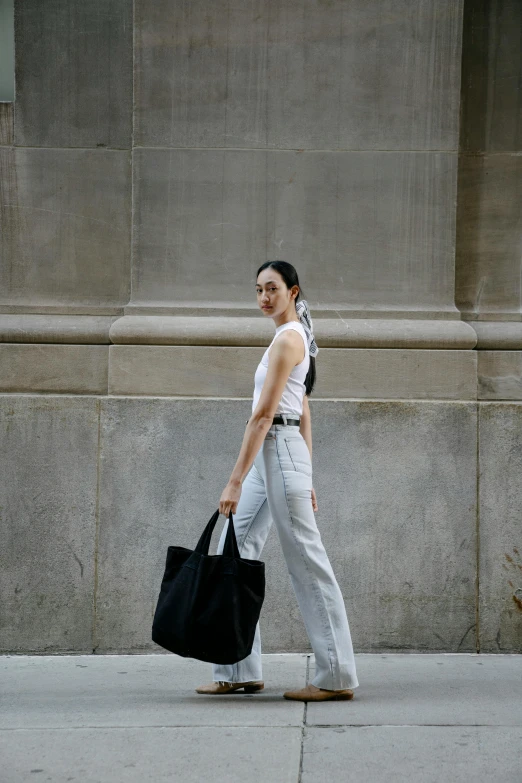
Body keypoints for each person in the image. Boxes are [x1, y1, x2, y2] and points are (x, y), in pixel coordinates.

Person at [196, 261, 359, 701]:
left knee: (306, 561)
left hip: (277, 447)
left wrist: (234, 481)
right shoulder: (287, 336)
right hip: (283, 454)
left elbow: (265, 415)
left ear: (293, 291)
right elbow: (304, 408)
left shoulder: (289, 339)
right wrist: (306, 472)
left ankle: (336, 675)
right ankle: (237, 669)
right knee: (233, 542)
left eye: (272, 288)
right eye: (258, 290)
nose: (264, 297)